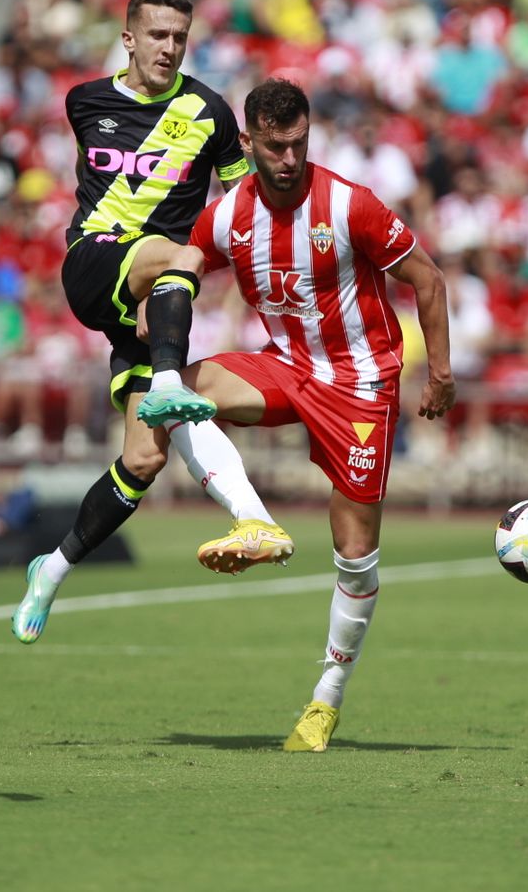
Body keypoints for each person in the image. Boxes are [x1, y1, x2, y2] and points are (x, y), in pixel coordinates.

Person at [138, 78, 456, 751]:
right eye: (275, 146)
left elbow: (427, 277)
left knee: (354, 551)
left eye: (299, 143)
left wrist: (443, 373)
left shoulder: (350, 206)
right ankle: (255, 523)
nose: (289, 158)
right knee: (171, 394)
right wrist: (142, 298)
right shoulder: (227, 216)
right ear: (247, 141)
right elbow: (181, 270)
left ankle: (325, 700)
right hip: (287, 365)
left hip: (362, 384)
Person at [8, 0, 283, 644]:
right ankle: (168, 387)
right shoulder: (86, 102)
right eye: (156, 35)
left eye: (179, 38)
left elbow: (241, 198)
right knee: (175, 254)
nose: (169, 48)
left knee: (143, 459)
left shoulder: (211, 113)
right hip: (96, 264)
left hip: (155, 300)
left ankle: (54, 566)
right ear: (128, 38)